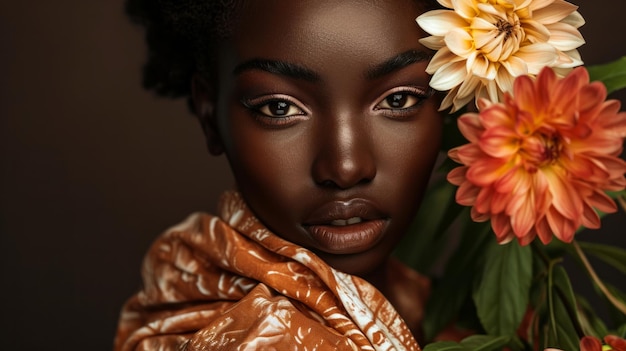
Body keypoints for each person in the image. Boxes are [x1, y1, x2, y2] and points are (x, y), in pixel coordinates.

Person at [114, 0, 446, 349]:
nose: (345, 168)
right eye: (279, 107)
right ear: (210, 116)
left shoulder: (438, 305)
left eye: (398, 101)